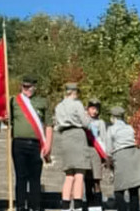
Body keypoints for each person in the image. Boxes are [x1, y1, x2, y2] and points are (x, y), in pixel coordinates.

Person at [9, 75, 54, 211]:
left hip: (36, 145)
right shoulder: (14, 101)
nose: (26, 89)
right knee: (21, 177)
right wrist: (5, 118)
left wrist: (48, 144)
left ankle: (35, 206)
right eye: (24, 87)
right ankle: (21, 206)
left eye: (29, 87)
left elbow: (49, 125)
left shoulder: (42, 102)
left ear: (34, 87)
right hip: (19, 143)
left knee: (35, 178)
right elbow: (8, 120)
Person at [54, 83, 92, 211]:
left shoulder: (59, 106)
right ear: (75, 92)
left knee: (69, 174)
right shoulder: (77, 104)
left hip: (65, 136)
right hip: (77, 135)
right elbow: (85, 123)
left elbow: (57, 124)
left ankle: (65, 206)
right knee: (79, 173)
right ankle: (77, 205)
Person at [105, 106, 140, 211]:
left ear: (113, 117)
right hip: (133, 154)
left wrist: (108, 163)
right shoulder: (129, 128)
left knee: (119, 190)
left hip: (121, 156)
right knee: (133, 189)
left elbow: (108, 149)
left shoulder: (111, 129)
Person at [84, 99, 106, 211]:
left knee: (96, 180)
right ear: (88, 109)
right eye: (92, 108)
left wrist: (104, 156)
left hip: (96, 152)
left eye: (96, 109)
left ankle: (98, 205)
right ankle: (89, 204)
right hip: (85, 151)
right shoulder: (84, 121)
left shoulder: (100, 123)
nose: (94, 111)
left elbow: (103, 138)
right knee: (87, 181)